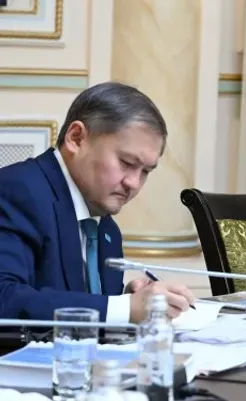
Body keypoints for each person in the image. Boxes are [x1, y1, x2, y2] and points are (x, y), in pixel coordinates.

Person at [0, 82, 195, 322]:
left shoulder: (105, 226)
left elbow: (79, 302)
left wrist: (128, 298)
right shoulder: (16, 191)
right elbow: (5, 298)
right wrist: (124, 308)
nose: (134, 183)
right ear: (76, 138)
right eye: (126, 162)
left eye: (145, 171)